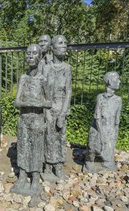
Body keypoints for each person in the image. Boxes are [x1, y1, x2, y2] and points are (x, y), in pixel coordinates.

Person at [11, 44, 51, 196]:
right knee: (22, 148)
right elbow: (16, 102)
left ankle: (34, 178)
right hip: (24, 120)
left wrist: (34, 103)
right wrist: (28, 103)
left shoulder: (43, 79)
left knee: (36, 149)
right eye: (28, 53)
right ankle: (22, 176)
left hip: (37, 120)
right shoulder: (23, 78)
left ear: (40, 57)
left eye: (34, 53)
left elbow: (49, 102)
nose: (30, 56)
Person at [42, 35, 72, 181]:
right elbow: (43, 91)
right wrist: (46, 111)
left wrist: (63, 113)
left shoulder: (67, 68)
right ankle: (47, 165)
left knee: (60, 137)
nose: (64, 46)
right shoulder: (46, 68)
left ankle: (59, 166)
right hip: (48, 108)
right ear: (52, 48)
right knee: (48, 137)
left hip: (61, 108)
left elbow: (69, 91)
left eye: (65, 43)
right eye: (60, 43)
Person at [85, 71, 122, 172]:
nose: (119, 81)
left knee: (108, 159)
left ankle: (106, 160)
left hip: (110, 129)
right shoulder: (100, 97)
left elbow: (117, 120)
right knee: (94, 145)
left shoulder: (118, 100)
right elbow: (97, 117)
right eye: (117, 79)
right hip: (99, 128)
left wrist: (114, 133)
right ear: (110, 81)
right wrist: (102, 134)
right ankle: (90, 160)